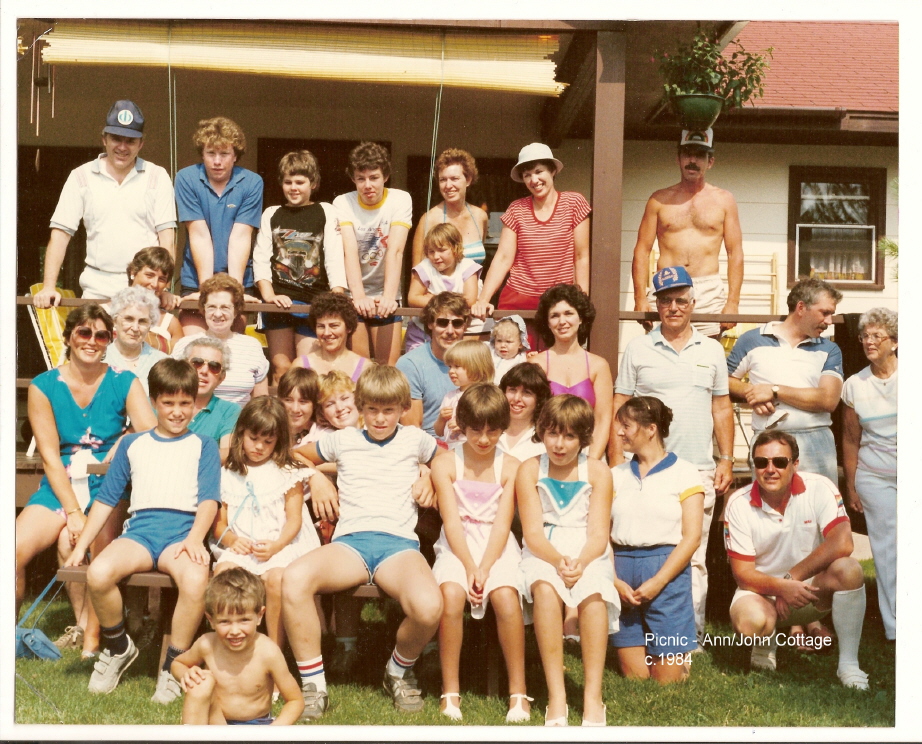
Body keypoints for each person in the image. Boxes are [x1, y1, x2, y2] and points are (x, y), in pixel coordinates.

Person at [282, 365, 441, 720]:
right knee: (293, 579)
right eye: (371, 409)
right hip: (350, 544)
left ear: (402, 408)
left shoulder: (415, 439)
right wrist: (316, 478)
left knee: (430, 607)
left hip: (398, 546)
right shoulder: (343, 440)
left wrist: (431, 474)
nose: (380, 418)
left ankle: (398, 670)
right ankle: (313, 685)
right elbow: (290, 452)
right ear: (361, 406)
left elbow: (447, 460)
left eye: (388, 410)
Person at [62, 358, 221, 702]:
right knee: (99, 573)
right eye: (168, 403)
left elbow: (209, 500)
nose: (177, 412)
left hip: (181, 534)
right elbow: (106, 499)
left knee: (195, 580)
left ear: (194, 403)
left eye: (184, 404)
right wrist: (81, 547)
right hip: (140, 532)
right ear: (153, 402)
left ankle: (175, 665)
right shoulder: (134, 444)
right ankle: (119, 647)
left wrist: (195, 539)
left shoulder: (204, 445)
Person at [17, 304, 156, 660]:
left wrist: (124, 438)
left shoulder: (124, 380)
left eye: (101, 335)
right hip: (61, 483)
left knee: (92, 547)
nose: (92, 341)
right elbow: (49, 456)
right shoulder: (43, 386)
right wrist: (73, 511)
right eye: (84, 333)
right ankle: (12, 636)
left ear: (109, 340)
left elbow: (149, 434)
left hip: (108, 483)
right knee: (13, 550)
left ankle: (93, 641)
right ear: (68, 338)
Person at [608, 266, 734, 643]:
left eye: (681, 300)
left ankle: (686, 634)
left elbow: (722, 407)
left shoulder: (711, 349)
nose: (674, 308)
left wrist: (725, 458)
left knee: (692, 554)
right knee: (641, 548)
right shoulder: (637, 348)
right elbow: (620, 403)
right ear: (656, 304)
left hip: (696, 467)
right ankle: (638, 628)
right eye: (665, 301)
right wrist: (618, 461)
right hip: (646, 470)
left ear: (693, 303)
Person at [725, 430, 869, 690]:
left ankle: (849, 665)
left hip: (808, 590)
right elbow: (742, 574)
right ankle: (764, 644)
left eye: (780, 462)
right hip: (760, 593)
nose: (770, 469)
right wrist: (781, 587)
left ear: (795, 464)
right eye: (761, 462)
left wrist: (791, 579)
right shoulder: (737, 503)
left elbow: (843, 542)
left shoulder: (820, 486)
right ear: (753, 465)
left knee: (850, 570)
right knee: (749, 624)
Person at [430, 384, 531, 723]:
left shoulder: (512, 465)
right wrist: (469, 566)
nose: (484, 439)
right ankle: (450, 690)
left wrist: (484, 568)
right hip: (457, 545)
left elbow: (503, 526)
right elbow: (451, 521)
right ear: (463, 425)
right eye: (476, 430)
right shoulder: (446, 462)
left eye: (493, 430)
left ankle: (518, 692)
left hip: (497, 547)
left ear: (503, 427)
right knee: (451, 594)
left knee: (504, 596)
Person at [516, 395, 618, 727]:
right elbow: (532, 534)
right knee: (545, 590)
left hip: (588, 550)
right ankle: (556, 696)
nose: (559, 444)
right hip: (545, 549)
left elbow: (599, 533)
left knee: (592, 595)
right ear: (541, 432)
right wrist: (559, 561)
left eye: (570, 436)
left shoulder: (599, 471)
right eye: (552, 434)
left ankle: (592, 697)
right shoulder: (530, 469)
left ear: (584, 437)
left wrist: (581, 563)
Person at [33, 100, 176, 307]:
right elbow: (60, 234)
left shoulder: (158, 176)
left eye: (130, 141)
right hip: (96, 289)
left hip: (145, 290)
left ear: (141, 143)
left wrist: (165, 288)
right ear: (104, 139)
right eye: (116, 139)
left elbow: (167, 239)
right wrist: (48, 287)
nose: (122, 147)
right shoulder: (80, 176)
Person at [214, 397, 327, 650]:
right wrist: (233, 540)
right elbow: (219, 524)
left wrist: (276, 546)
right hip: (242, 546)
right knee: (223, 575)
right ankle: (232, 647)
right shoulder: (228, 472)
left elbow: (294, 520)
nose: (259, 447)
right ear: (241, 433)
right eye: (254, 438)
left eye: (268, 441)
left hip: (280, 545)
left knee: (275, 579)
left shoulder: (288, 471)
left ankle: (274, 649)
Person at [609, 397, 704, 683]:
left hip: (666, 572)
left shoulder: (685, 472)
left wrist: (659, 581)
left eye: (626, 426)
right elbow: (601, 533)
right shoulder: (615, 475)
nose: (619, 433)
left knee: (667, 683)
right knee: (636, 679)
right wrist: (613, 580)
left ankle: (680, 661)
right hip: (622, 570)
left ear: (651, 429)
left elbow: (692, 537)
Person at [472, 143, 590, 350]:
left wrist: (581, 301)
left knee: (554, 367)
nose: (533, 180)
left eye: (538, 172)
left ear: (552, 171)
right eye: (527, 175)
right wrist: (483, 299)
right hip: (518, 297)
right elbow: (503, 258)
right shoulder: (517, 209)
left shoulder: (574, 203)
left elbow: (581, 256)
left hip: (558, 302)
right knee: (515, 365)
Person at [728, 277, 844, 484]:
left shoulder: (829, 349)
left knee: (820, 511)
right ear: (801, 307)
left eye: (831, 314)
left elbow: (828, 400)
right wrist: (752, 393)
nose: (829, 321)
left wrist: (773, 390)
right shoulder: (752, 339)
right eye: (825, 313)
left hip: (816, 440)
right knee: (769, 512)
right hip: (769, 441)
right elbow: (724, 381)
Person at [631, 128, 743, 337]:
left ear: (710, 162)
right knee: (661, 352)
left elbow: (734, 252)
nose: (693, 160)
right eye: (687, 153)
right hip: (667, 284)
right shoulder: (659, 199)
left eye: (700, 155)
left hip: (707, 288)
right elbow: (642, 250)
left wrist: (733, 302)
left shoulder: (724, 200)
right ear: (678, 158)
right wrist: (640, 297)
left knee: (706, 356)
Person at [253, 150, 347, 383]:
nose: (293, 187)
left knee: (309, 369)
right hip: (280, 302)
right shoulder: (272, 214)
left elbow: (334, 257)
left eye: (300, 182)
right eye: (288, 182)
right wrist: (270, 296)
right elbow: (261, 257)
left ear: (312, 183)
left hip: (313, 303)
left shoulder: (325, 210)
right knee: (281, 368)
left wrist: (335, 299)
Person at [172, 567, 304, 725]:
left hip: (256, 726)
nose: (234, 631)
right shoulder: (207, 644)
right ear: (211, 620)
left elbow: (295, 701)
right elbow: (178, 663)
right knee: (201, 682)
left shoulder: (268, 652)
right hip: (216, 722)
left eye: (244, 620)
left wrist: (272, 733)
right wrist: (186, 674)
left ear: (259, 616)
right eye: (225, 621)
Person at [175, 117, 263, 331]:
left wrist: (233, 293)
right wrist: (208, 293)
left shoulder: (252, 182)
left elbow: (240, 237)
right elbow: (199, 235)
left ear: (235, 156)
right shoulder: (186, 178)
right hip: (197, 280)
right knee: (194, 345)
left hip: (237, 280)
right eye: (210, 153)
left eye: (224, 154)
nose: (217, 161)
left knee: (230, 349)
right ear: (202, 153)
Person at [842, 308, 898, 641]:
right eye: (864, 336)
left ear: (894, 341)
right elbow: (850, 438)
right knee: (888, 549)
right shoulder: (854, 385)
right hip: (875, 478)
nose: (868, 342)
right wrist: (851, 485)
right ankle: (896, 627)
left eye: (876, 335)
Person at [334, 141, 412, 365]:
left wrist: (388, 296)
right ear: (353, 179)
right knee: (359, 369)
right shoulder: (343, 202)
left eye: (374, 177)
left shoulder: (400, 199)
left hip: (385, 291)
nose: (368, 185)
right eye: (361, 178)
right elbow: (349, 250)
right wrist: (357, 296)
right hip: (354, 292)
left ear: (385, 176)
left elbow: (395, 251)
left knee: (387, 368)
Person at [530, 284, 613, 460]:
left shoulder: (598, 365)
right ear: (548, 323)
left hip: (587, 454)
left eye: (568, 313)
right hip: (545, 454)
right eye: (554, 315)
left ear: (581, 318)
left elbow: (603, 420)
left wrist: (591, 462)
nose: (562, 321)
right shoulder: (536, 364)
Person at [172, 274, 269, 405]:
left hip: (239, 423)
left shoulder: (252, 346)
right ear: (203, 309)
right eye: (211, 307)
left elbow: (261, 401)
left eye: (225, 307)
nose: (217, 314)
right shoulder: (185, 345)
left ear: (235, 311)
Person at [396, 292, 470, 436]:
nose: (450, 331)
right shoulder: (411, 364)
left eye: (457, 323)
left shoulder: (475, 360)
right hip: (430, 446)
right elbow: (413, 431)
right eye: (442, 322)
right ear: (430, 323)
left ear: (464, 326)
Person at [405, 223, 481, 352]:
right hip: (423, 331)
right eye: (431, 251)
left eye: (441, 250)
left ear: (455, 248)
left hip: (457, 331)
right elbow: (413, 298)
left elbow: (469, 300)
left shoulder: (467, 266)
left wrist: (434, 299)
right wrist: (455, 299)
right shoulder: (425, 267)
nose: (436, 256)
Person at [411, 147, 489, 267]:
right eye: (443, 180)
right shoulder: (429, 219)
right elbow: (417, 273)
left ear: (468, 180)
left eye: (454, 179)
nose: (448, 185)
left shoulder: (480, 216)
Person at [181, 336, 240, 462]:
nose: (204, 370)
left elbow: (227, 452)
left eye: (214, 366)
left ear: (222, 377)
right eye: (197, 363)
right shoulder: (159, 402)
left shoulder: (229, 411)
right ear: (184, 366)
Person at [291, 292, 369, 382]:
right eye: (321, 326)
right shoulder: (300, 365)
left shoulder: (365, 368)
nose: (327, 333)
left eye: (334, 326)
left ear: (348, 327)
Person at [103, 286, 168, 393]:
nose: (135, 328)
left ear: (150, 325)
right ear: (115, 320)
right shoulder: (101, 357)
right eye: (129, 319)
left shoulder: (162, 362)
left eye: (142, 321)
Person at [435, 339, 494, 445]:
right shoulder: (450, 397)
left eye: (457, 366)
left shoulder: (487, 396)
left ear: (476, 366)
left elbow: (492, 426)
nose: (451, 371)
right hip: (452, 450)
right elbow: (439, 432)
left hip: (476, 449)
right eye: (450, 366)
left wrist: (464, 426)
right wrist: (441, 419)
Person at [126, 246, 184, 352]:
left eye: (162, 279)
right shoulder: (109, 312)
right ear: (133, 272)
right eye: (149, 275)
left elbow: (177, 364)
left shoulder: (170, 324)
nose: (154, 284)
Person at [497, 363, 552, 462]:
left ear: (539, 399)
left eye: (527, 392)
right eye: (512, 390)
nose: (516, 398)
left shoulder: (545, 439)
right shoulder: (488, 430)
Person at [277, 366, 321, 447]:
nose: (295, 409)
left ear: (314, 404)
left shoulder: (323, 437)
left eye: (303, 402)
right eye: (288, 400)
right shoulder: (270, 433)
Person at [490, 315, 529, 385]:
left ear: (520, 344)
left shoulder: (521, 359)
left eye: (508, 342)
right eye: (499, 341)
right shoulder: (490, 353)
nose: (503, 345)